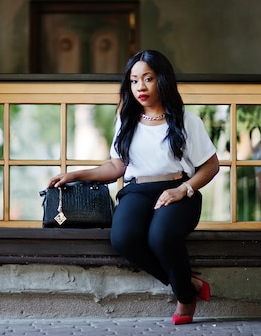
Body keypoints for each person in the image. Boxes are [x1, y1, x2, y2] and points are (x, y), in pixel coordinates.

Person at [47, 50, 219, 325]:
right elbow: (117, 168)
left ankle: (185, 300)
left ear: (162, 80)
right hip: (137, 190)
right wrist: (76, 174)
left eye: (148, 79)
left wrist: (183, 189)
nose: (140, 86)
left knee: (160, 236)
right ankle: (189, 286)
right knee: (123, 239)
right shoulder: (125, 121)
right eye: (134, 80)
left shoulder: (188, 121)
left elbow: (210, 166)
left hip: (177, 191)